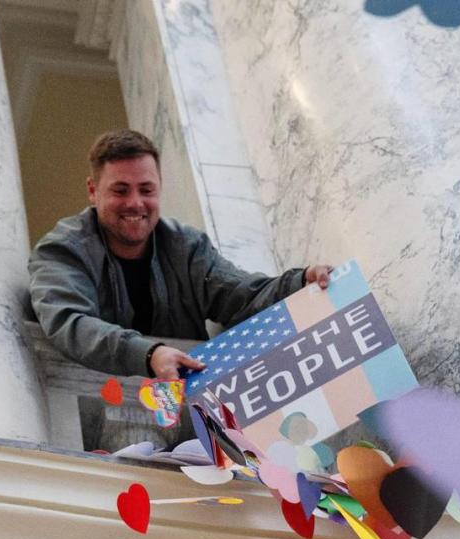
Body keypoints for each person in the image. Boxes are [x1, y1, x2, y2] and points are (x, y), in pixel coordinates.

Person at [28, 129, 332, 380]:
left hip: (193, 410)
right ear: (93, 191)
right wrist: (149, 354)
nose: (135, 203)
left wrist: (300, 281)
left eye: (146, 190)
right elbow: (69, 322)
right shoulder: (61, 250)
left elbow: (241, 295)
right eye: (120, 191)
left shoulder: (186, 246)